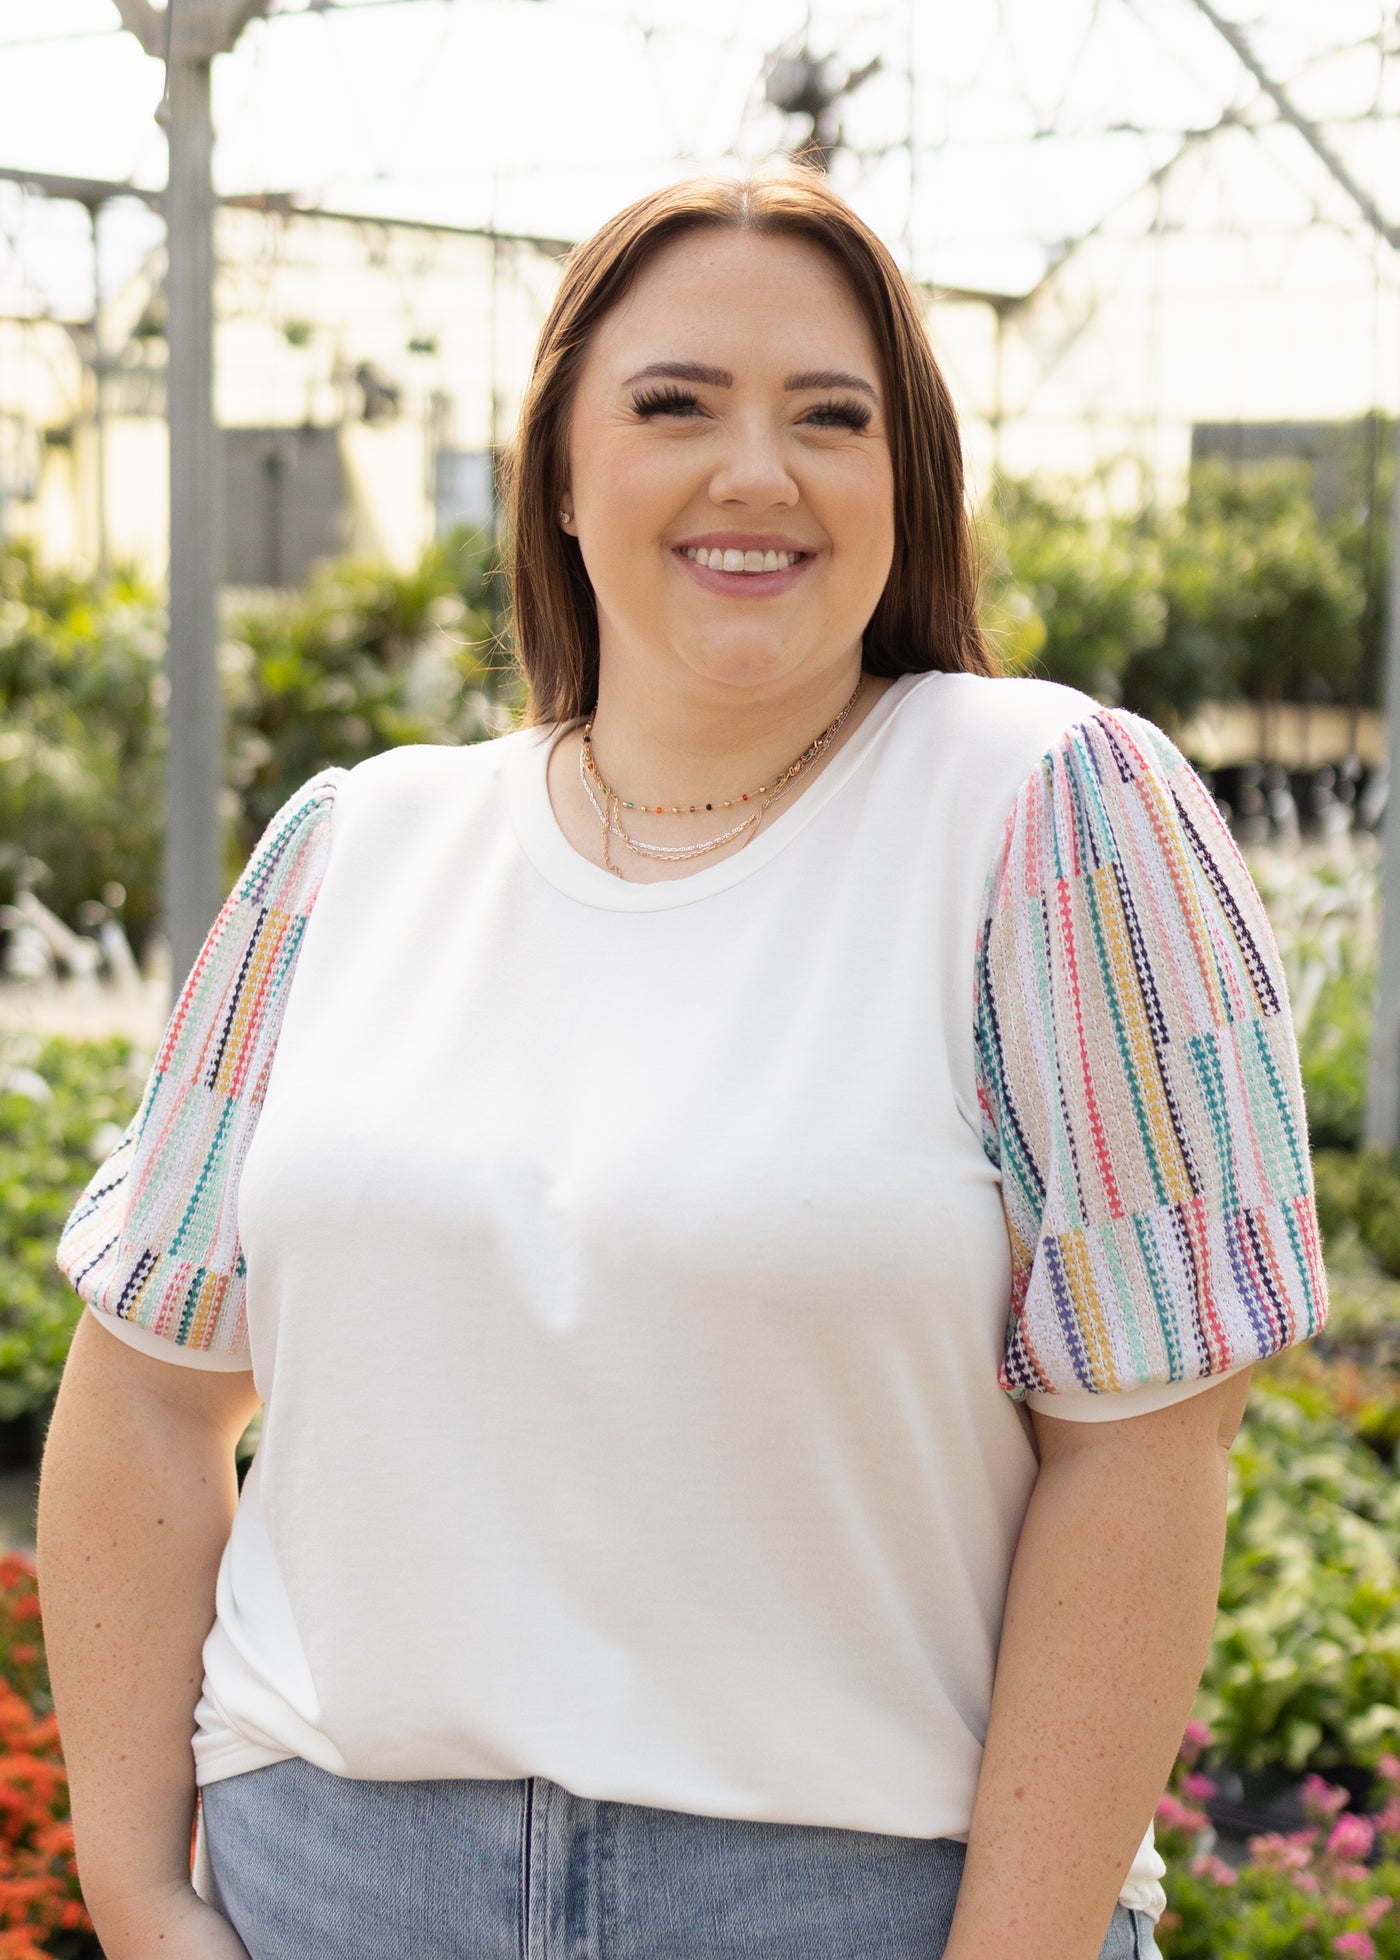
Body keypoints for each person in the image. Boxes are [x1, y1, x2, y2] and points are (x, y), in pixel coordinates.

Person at [38, 165, 1327, 1960]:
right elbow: (152, 1390)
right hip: (331, 1881)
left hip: (857, 1901)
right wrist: (136, 1883)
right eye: (674, 406)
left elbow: (1149, 1454)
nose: (756, 473)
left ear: (908, 482)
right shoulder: (354, 848)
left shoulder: (1057, 813)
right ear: (560, 472)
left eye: (830, 417)